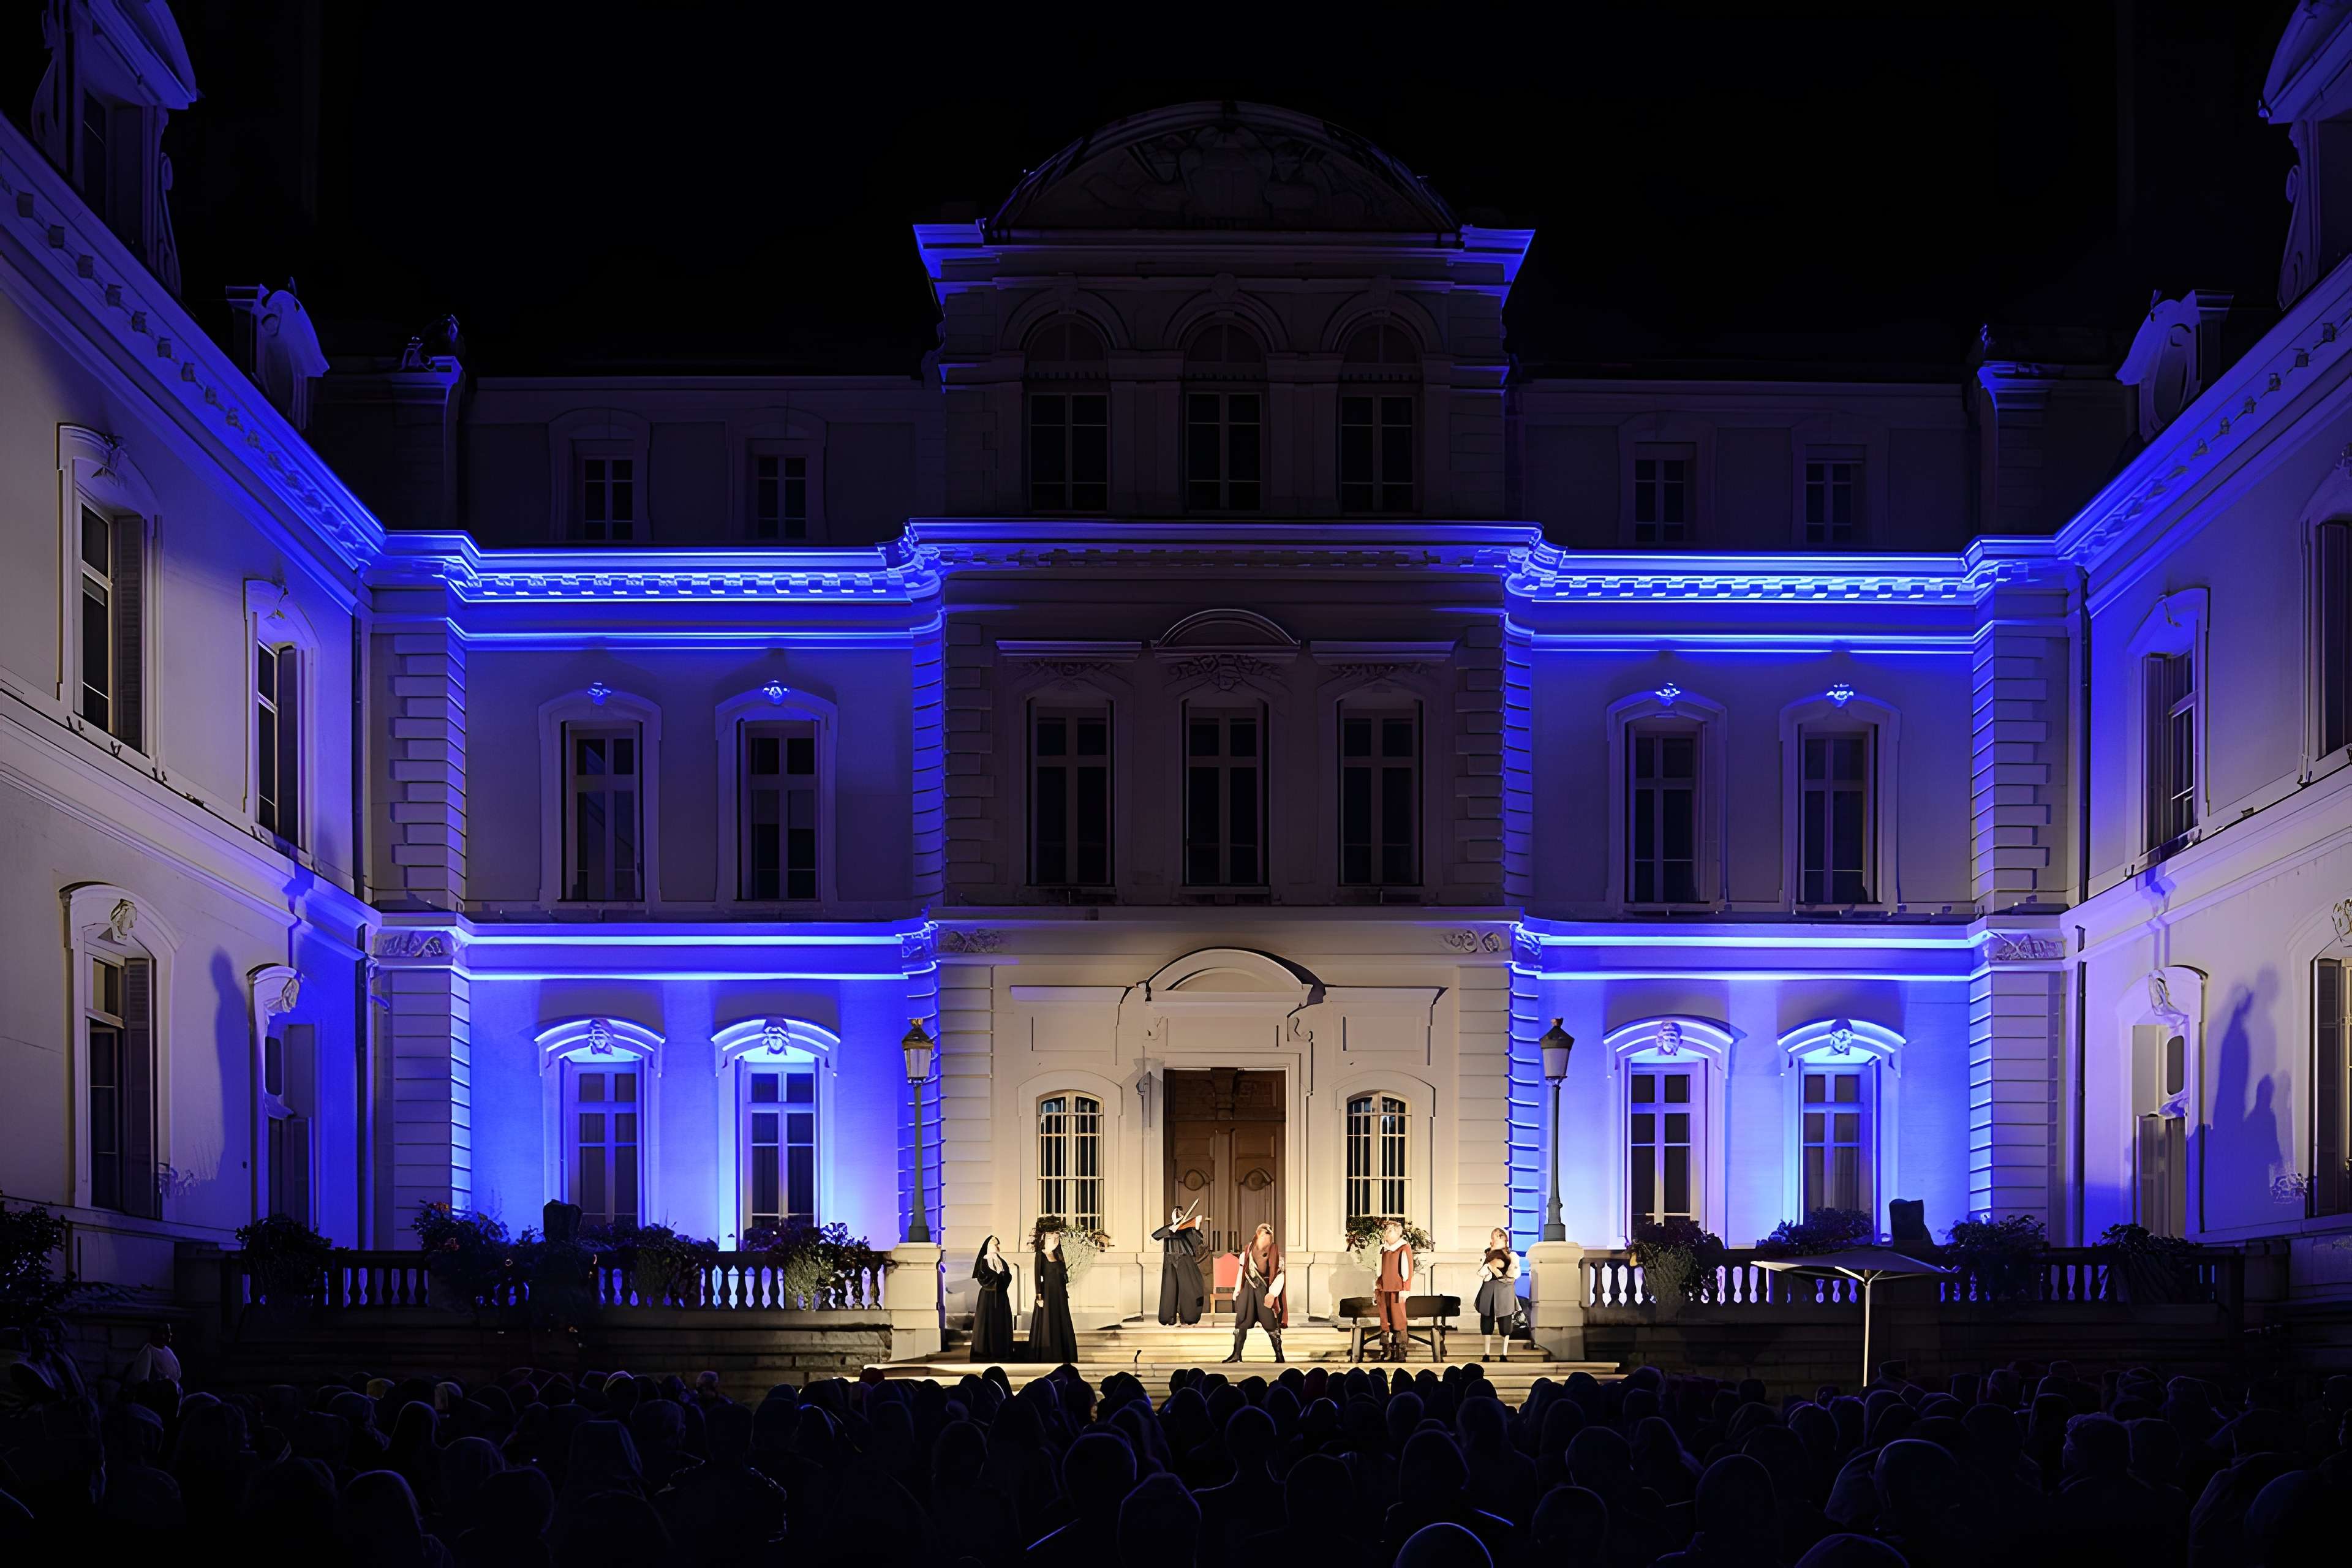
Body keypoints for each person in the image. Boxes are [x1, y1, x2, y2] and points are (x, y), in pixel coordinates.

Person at [1224, 1222, 1286, 1363]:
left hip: (1264, 1292)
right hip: (1248, 1290)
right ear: (1258, 1235)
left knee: (1270, 1323)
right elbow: (1242, 1271)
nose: (1266, 1239)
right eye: (1264, 1236)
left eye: (1269, 1236)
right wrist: (1237, 1290)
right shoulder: (1247, 1251)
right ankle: (1236, 1354)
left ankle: (1279, 1355)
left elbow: (1280, 1275)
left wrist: (1272, 1293)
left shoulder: (1274, 1254)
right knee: (1241, 1322)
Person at [1151, 1204, 1208, 1327]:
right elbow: (1155, 1237)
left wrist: (1196, 1226)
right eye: (1176, 1213)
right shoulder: (1169, 1228)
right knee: (1170, 1290)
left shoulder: (1188, 1228)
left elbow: (1198, 1242)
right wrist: (1172, 1228)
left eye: (1180, 1213)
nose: (1178, 1214)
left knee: (1188, 1289)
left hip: (1185, 1260)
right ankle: (1169, 1318)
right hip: (1170, 1261)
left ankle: (1189, 1318)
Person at [1028, 1225, 1077, 1365]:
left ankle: (1063, 1354)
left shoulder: (1059, 1255)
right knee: (1048, 1321)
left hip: (1060, 1294)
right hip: (1048, 1293)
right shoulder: (1041, 1254)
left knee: (1061, 1320)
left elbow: (1064, 1276)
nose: (1054, 1239)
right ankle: (1048, 1354)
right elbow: (1037, 1276)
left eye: (1056, 1237)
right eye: (1051, 1237)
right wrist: (1039, 1296)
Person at [1474, 1228, 1519, 1362]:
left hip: (1505, 1290)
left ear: (1505, 1240)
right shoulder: (1486, 1255)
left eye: (1500, 1236)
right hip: (1489, 1290)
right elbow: (1482, 1274)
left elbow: (1514, 1274)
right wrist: (1490, 1267)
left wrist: (1500, 1273)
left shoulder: (1512, 1256)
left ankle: (1504, 1354)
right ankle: (1486, 1354)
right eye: (1495, 1237)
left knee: (1505, 1321)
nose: (1497, 1239)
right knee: (1487, 1319)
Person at [971, 1235, 1016, 1364]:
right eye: (994, 1244)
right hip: (987, 1297)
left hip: (1001, 1297)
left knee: (1001, 1323)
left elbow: (1008, 1276)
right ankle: (985, 1353)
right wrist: (997, 1279)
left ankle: (1001, 1352)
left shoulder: (1001, 1261)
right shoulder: (984, 1261)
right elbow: (982, 1277)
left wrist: (1002, 1277)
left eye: (997, 1244)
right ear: (988, 1246)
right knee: (987, 1323)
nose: (997, 1246)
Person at [1375, 1219, 1414, 1363]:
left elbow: (1407, 1270)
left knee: (1399, 1321)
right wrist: (1378, 1285)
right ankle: (1387, 1350)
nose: (1387, 1234)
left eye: (1390, 1231)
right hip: (1384, 1289)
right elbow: (1379, 1269)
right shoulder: (1383, 1249)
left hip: (1397, 1290)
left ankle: (1401, 1351)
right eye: (1387, 1231)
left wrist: (1405, 1289)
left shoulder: (1404, 1248)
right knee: (1385, 1321)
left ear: (1398, 1234)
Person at [125, 1323, 182, 1388]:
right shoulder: (149, 1351)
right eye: (167, 1332)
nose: (170, 1334)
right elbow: (143, 1380)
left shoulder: (168, 1351)